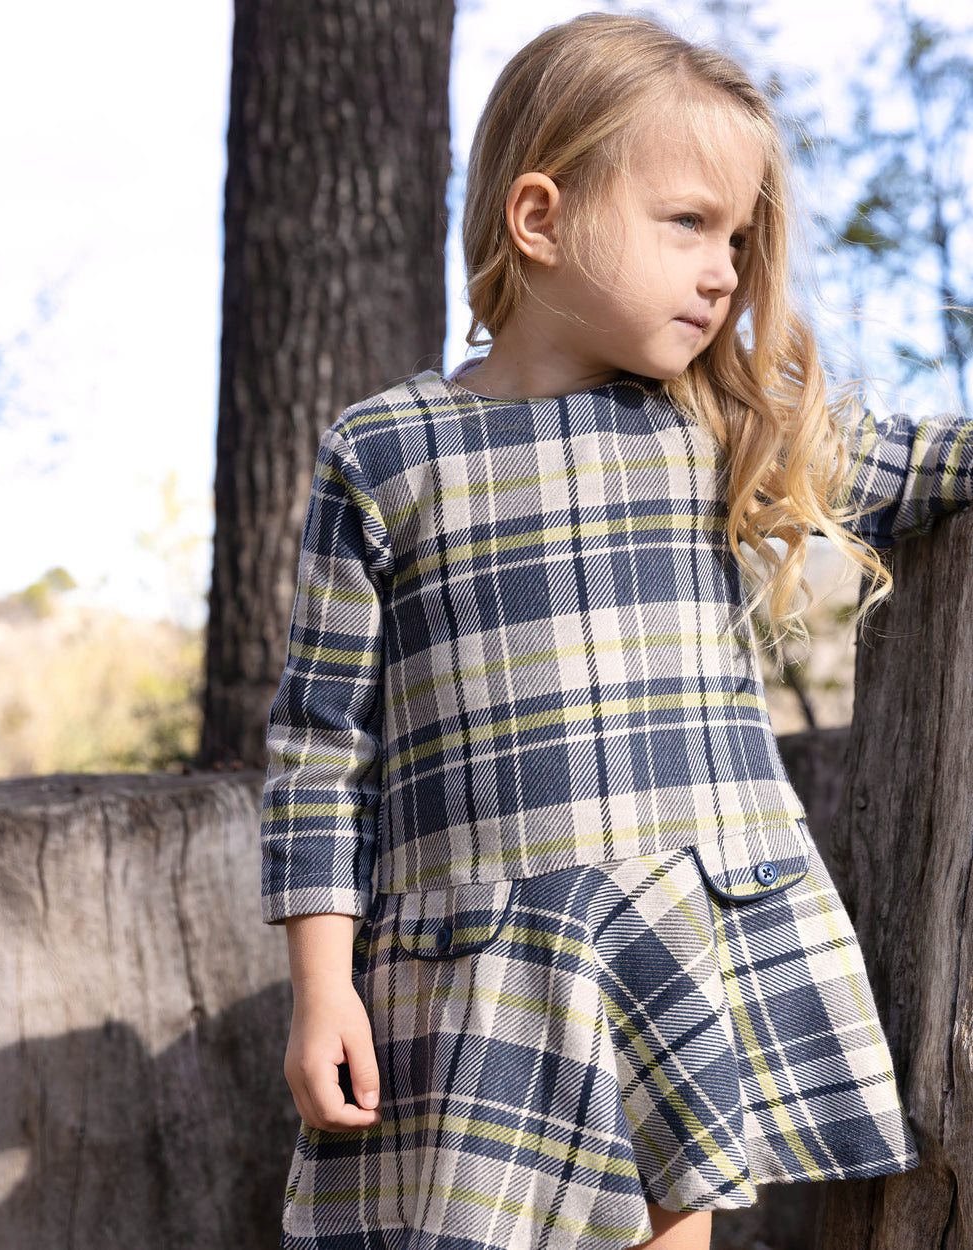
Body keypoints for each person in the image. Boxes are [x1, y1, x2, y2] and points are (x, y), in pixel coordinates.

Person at [259, 14, 973, 1250]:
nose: (726, 272)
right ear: (539, 217)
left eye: (741, 238)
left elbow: (917, 463)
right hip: (483, 965)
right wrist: (322, 984)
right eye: (689, 223)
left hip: (674, 934)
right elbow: (321, 747)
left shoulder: (716, 425)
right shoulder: (387, 451)